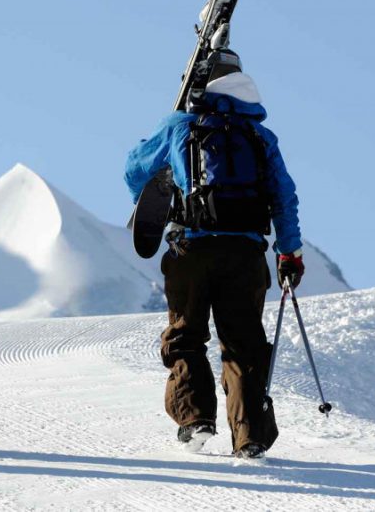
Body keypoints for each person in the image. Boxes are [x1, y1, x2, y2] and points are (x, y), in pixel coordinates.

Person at [123, 49, 304, 459]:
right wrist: (289, 253)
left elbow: (135, 169)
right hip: (245, 252)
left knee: (186, 335)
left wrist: (157, 192)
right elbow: (284, 198)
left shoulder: (181, 125)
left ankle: (195, 419)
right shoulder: (260, 136)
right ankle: (250, 435)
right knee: (244, 344)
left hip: (192, 247)